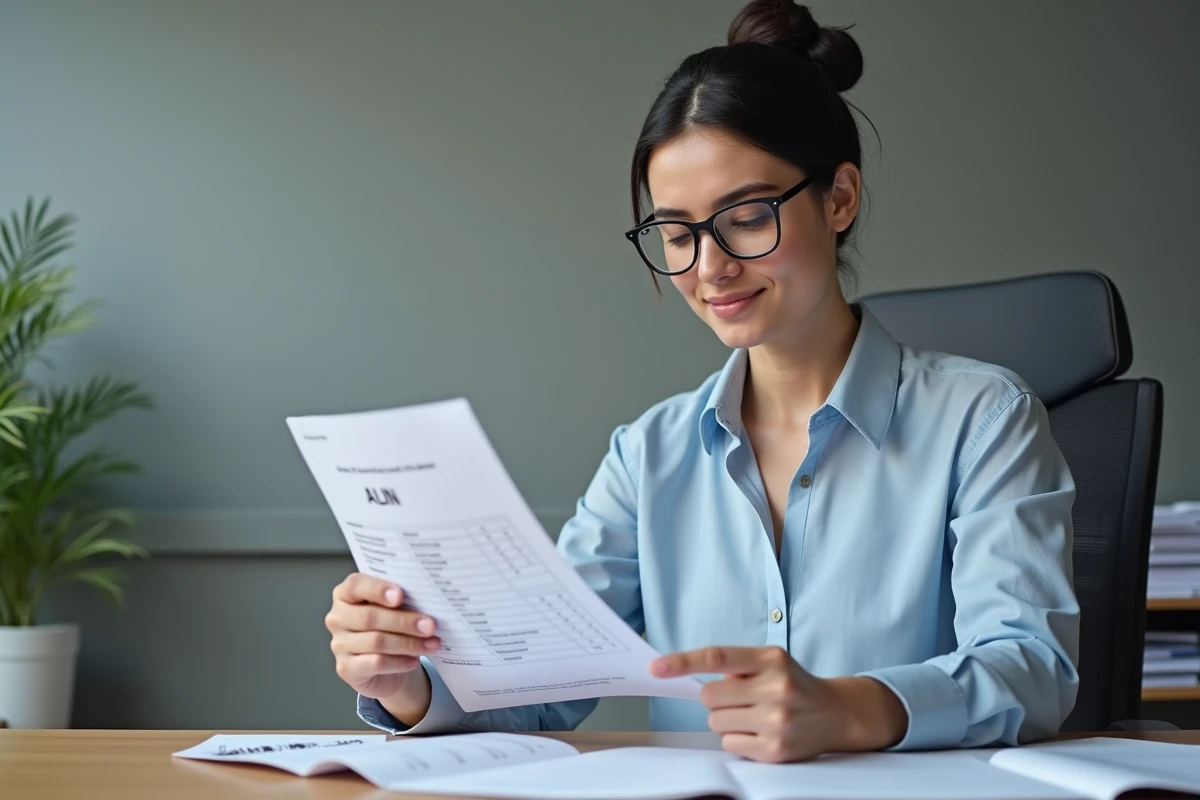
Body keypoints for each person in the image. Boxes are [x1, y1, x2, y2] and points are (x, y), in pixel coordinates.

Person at [324, 0, 1080, 763]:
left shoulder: (984, 419)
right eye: (677, 234)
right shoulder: (646, 455)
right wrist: (405, 681)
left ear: (840, 197)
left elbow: (1033, 668)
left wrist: (850, 706)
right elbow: (538, 679)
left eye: (747, 217)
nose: (710, 268)